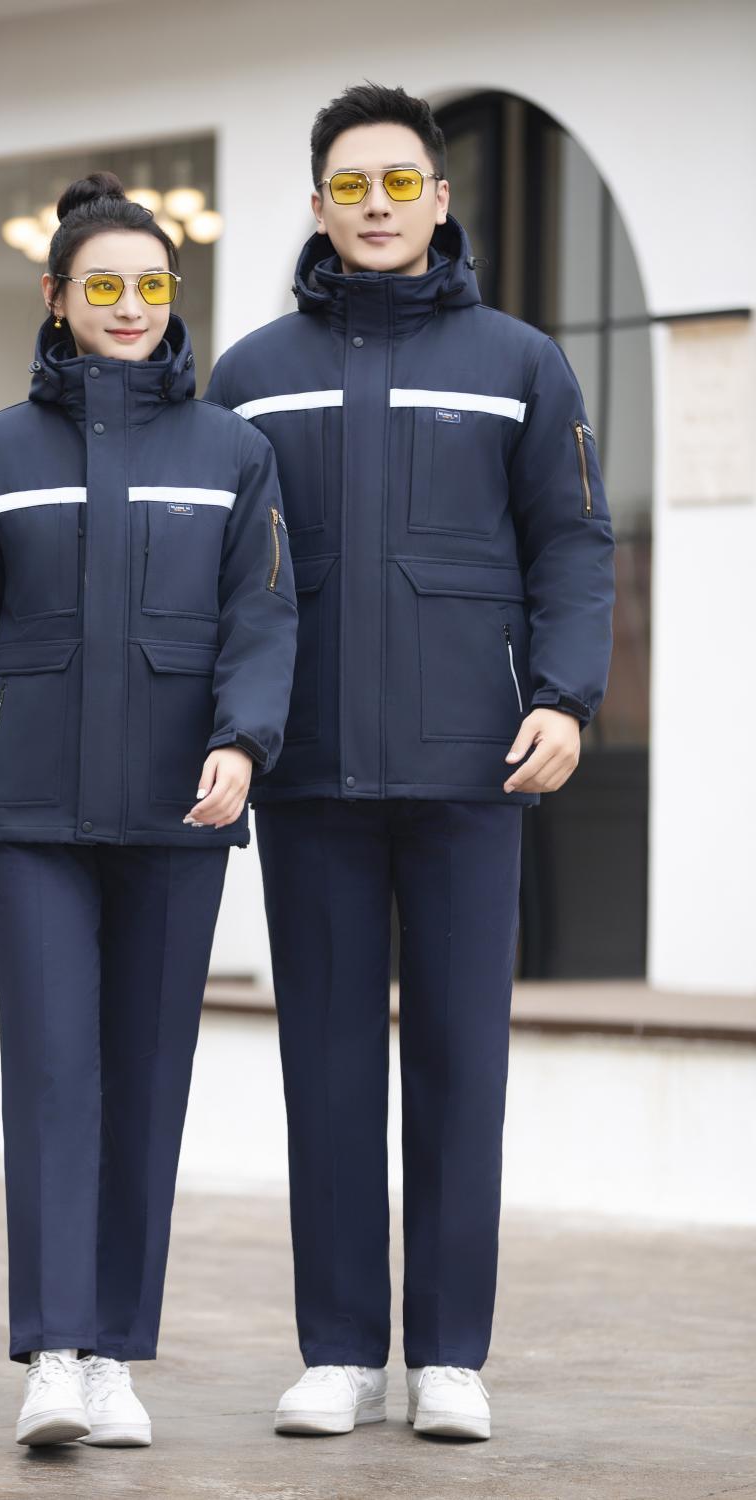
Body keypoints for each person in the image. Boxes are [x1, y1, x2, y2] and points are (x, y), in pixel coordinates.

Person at [205, 84, 615, 1442]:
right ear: (318, 204)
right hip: (309, 772)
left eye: (399, 182)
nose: (375, 206)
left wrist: (565, 698)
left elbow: (570, 544)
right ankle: (337, 1353)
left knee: (459, 1067)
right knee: (323, 1069)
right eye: (350, 185)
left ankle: (447, 1354)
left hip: (470, 770)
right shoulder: (252, 374)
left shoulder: (518, 363)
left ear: (440, 198)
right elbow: (221, 574)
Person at [0, 172, 298, 1450]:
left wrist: (242, 740)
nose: (130, 307)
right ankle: (53, 1357)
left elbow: (263, 617)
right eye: (102, 286)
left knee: (148, 1080)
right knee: (54, 1077)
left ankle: (116, 1355)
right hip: (35, 818)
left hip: (179, 813)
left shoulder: (232, 453)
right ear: (55, 298)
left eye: (151, 286)